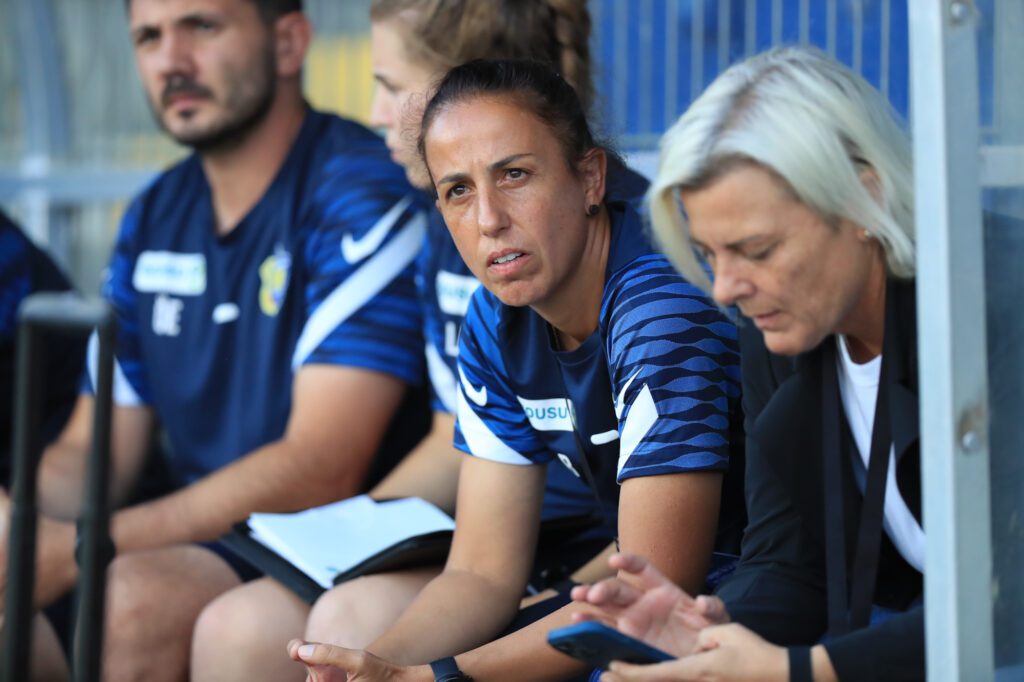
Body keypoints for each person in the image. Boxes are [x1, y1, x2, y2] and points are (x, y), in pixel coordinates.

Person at [190, 3, 652, 680]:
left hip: (592, 556)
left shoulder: (647, 284)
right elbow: (460, 469)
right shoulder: (456, 248)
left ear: (463, 89)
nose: (375, 113)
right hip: (503, 541)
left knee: (347, 618)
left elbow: (659, 560)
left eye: (389, 84)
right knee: (247, 626)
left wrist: (439, 667)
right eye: (458, 191)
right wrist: (344, 538)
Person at [0, 0, 429, 679]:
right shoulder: (153, 213)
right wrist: (18, 522)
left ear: (289, 43)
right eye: (148, 37)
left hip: (338, 532)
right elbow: (92, 447)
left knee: (126, 603)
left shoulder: (359, 190)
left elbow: (323, 464)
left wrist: (81, 547)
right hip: (214, 533)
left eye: (202, 25)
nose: (171, 60)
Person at [285, 58, 743, 682]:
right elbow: (480, 573)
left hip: (751, 608)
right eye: (458, 190)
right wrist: (378, 668)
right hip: (647, 610)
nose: (488, 220)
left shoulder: (657, 308)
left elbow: (652, 596)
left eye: (516, 175)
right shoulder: (493, 317)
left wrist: (433, 678)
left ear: (589, 179)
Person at [570, 46, 924, 682]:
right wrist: (708, 633)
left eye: (755, 249)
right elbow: (789, 563)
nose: (727, 288)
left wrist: (803, 670)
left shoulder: (992, 310)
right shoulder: (781, 331)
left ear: (865, 201)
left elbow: (1001, 596)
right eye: (709, 253)